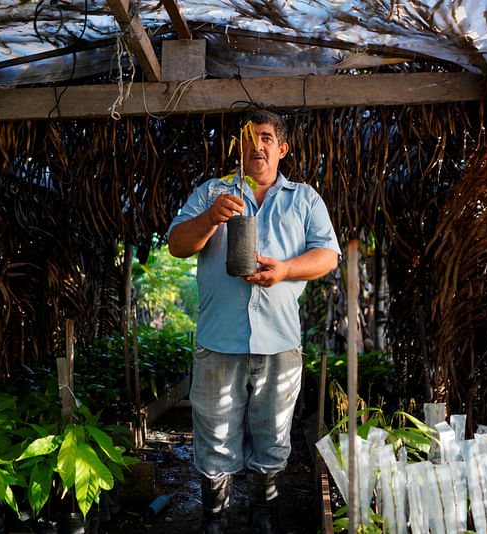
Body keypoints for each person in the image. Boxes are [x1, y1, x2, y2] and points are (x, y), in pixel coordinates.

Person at [168, 109, 340, 534]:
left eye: (265, 137)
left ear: (281, 148)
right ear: (238, 145)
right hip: (218, 342)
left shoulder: (304, 199)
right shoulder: (212, 193)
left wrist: (283, 270)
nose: (256, 145)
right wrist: (210, 218)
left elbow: (328, 255)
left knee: (273, 433)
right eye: (248, 137)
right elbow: (176, 244)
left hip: (279, 342)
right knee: (214, 434)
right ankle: (215, 518)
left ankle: (264, 515)